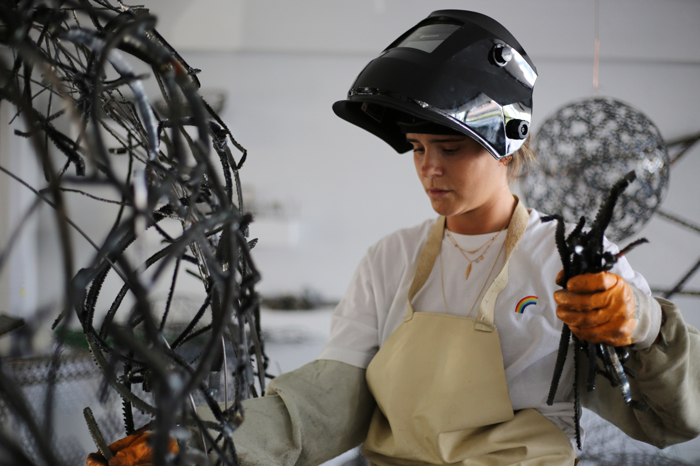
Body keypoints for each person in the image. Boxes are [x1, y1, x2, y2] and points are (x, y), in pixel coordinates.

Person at [88, 10, 700, 466]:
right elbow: (334, 397)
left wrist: (643, 324)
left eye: (451, 148)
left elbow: (673, 420)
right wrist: (207, 444)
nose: (430, 168)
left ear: (509, 144)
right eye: (418, 148)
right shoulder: (392, 259)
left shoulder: (570, 261)